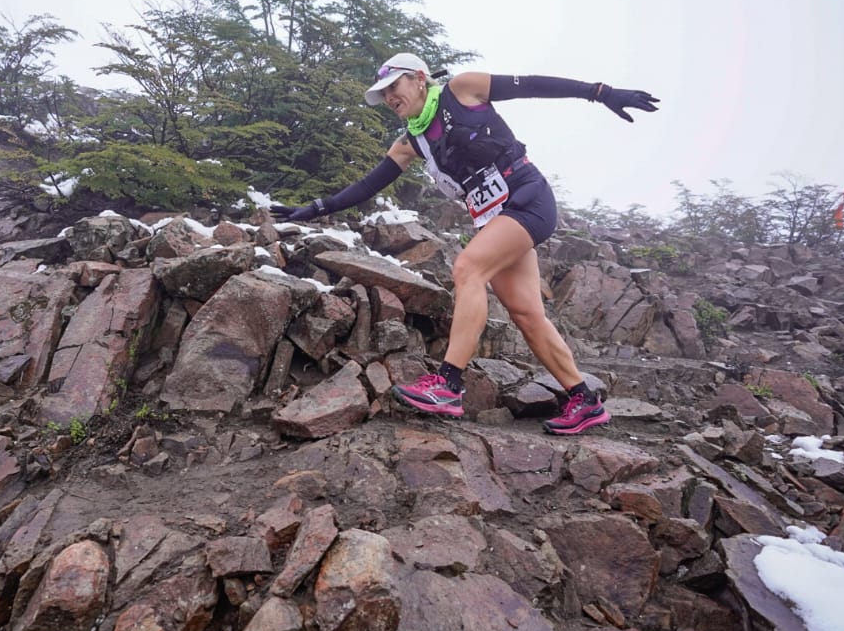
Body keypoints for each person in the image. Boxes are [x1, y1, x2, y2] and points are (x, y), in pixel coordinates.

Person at [271, 52, 659, 434]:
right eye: (383, 94)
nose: (389, 98)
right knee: (525, 314)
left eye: (394, 86)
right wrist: (315, 208)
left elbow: (533, 85)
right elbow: (367, 185)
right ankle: (583, 399)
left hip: (528, 199)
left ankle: (448, 385)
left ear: (419, 78)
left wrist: (599, 91)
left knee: (467, 268)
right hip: (496, 219)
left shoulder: (463, 90)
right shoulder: (412, 143)